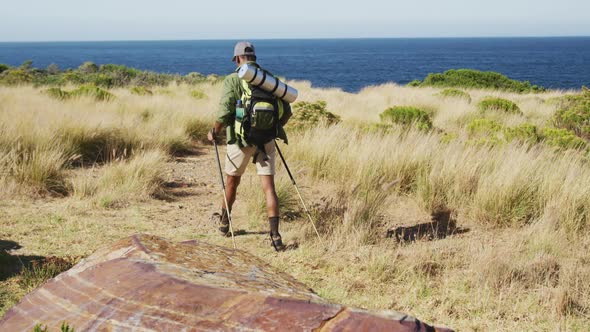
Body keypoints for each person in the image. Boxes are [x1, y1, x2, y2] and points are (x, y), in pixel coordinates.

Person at [207, 41, 292, 251]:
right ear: (254, 57)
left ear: (237, 59)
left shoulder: (232, 79)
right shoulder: (268, 78)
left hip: (240, 140)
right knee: (269, 188)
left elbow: (225, 111)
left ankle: (225, 223)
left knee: (231, 182)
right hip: (267, 140)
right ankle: (275, 236)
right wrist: (271, 127)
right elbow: (287, 111)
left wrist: (214, 131)